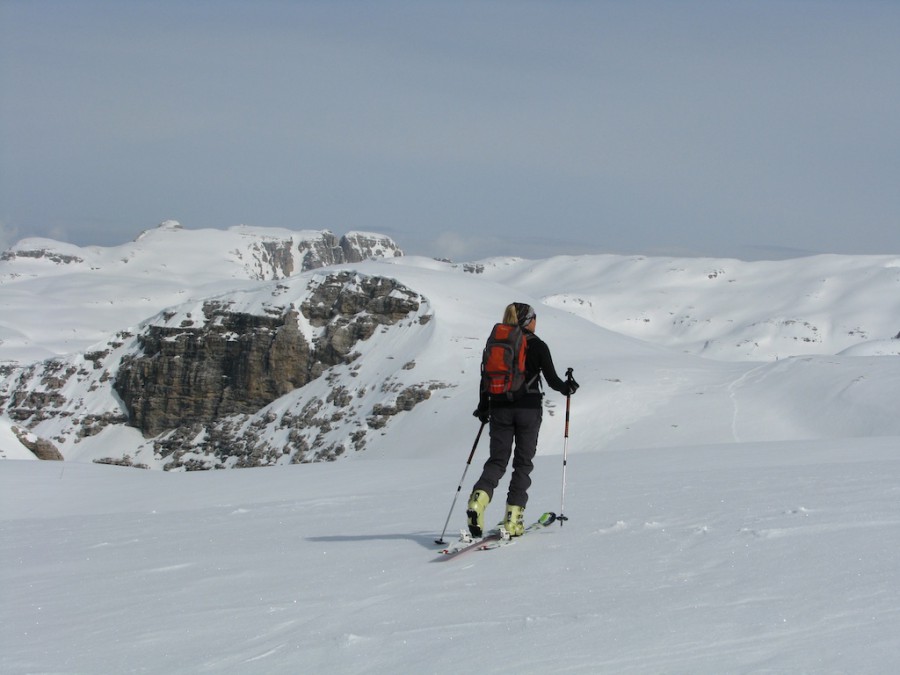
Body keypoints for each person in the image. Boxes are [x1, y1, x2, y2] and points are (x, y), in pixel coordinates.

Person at [467, 302, 578, 537]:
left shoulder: (496, 344)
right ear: (528, 320)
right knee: (523, 463)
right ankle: (513, 519)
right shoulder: (537, 345)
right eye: (535, 317)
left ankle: (478, 500)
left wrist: (483, 407)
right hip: (528, 409)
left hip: (499, 409)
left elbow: (485, 378)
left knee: (498, 461)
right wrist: (568, 387)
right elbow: (552, 381)